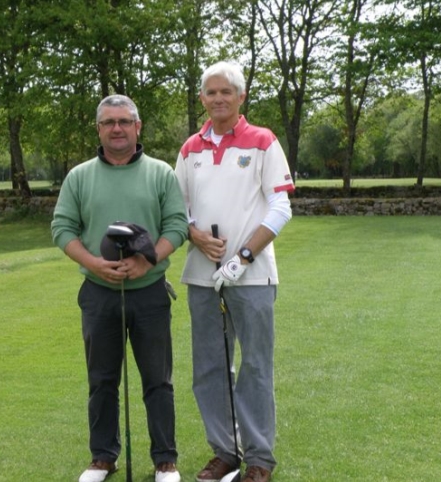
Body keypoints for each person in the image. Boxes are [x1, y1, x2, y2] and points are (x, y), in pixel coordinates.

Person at [51, 94, 189, 482]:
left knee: (158, 380)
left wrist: (147, 259)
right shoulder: (79, 176)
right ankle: (103, 458)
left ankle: (165, 460)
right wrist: (94, 262)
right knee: (102, 381)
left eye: (125, 121)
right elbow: (62, 229)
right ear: (98, 128)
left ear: (137, 127)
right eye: (109, 122)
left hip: (149, 291)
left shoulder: (161, 173)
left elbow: (176, 226)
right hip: (98, 292)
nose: (117, 128)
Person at [174, 61, 294, 482]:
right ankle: (225, 452)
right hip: (202, 277)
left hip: (253, 274)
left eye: (227, 92)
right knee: (209, 367)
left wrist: (242, 256)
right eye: (211, 92)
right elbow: (178, 211)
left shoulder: (263, 141)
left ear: (241, 97)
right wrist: (196, 237)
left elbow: (281, 206)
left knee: (255, 366)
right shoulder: (190, 148)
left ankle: (259, 459)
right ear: (202, 99)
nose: (219, 98)